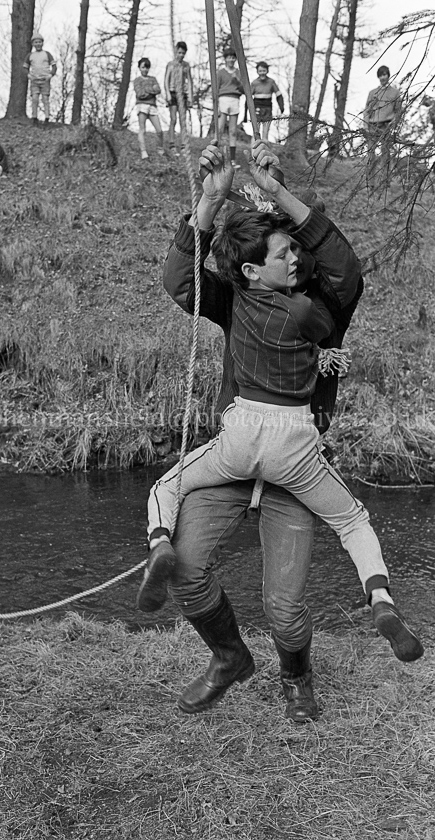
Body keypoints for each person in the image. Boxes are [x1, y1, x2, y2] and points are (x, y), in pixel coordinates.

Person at [136, 141, 424, 721]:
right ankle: (229, 658)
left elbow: (342, 264)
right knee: (188, 571)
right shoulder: (241, 297)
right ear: (255, 266)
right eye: (281, 247)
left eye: (296, 243)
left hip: (286, 462)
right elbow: (181, 280)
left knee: (286, 608)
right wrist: (211, 199)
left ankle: (297, 676)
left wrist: (274, 193)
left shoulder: (327, 302)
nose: (291, 254)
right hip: (254, 452)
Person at [363, 65, 402, 186]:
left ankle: (385, 181)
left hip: (386, 126)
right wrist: (365, 125)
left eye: (384, 74)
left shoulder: (395, 93)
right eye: (380, 75)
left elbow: (399, 111)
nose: (382, 77)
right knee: (371, 155)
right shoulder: (372, 93)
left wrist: (393, 124)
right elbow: (367, 110)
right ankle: (370, 182)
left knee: (385, 154)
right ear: (378, 77)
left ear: (388, 76)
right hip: (372, 126)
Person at [164, 41, 194, 157]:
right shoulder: (171, 64)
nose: (181, 55)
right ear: (176, 52)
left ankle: (183, 145)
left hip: (183, 93)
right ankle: (172, 144)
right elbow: (166, 80)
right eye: (179, 53)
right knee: (173, 119)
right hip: (172, 92)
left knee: (183, 120)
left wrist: (190, 97)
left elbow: (190, 81)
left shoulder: (186, 66)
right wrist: (167, 94)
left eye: (183, 53)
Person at [216, 47, 244, 168]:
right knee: (220, 128)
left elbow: (243, 89)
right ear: (225, 59)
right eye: (229, 57)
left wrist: (237, 80)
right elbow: (216, 89)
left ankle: (232, 160)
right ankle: (215, 154)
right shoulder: (221, 72)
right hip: (223, 99)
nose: (231, 60)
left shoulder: (238, 72)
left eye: (233, 57)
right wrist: (216, 105)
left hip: (235, 99)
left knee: (232, 130)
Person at [133, 58, 165, 160]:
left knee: (159, 130)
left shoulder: (153, 79)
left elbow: (158, 90)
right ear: (139, 68)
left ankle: (160, 150)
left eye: (147, 67)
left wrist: (146, 90)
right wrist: (151, 90)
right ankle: (143, 152)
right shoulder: (137, 80)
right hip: (141, 106)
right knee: (142, 129)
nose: (145, 70)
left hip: (152, 107)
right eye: (143, 67)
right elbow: (140, 94)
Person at [23, 33, 57, 125]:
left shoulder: (47, 54)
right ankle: (34, 117)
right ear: (33, 44)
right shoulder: (30, 55)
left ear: (42, 43)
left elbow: (54, 66)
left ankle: (47, 118)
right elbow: (25, 67)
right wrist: (29, 75)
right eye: (36, 42)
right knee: (34, 98)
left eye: (39, 42)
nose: (38, 44)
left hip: (45, 80)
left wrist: (50, 75)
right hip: (34, 80)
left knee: (45, 99)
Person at [249, 61, 284, 141]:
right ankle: (253, 152)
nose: (262, 73)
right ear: (257, 71)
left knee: (265, 133)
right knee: (256, 132)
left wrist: (281, 107)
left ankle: (264, 152)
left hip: (268, 109)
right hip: (257, 109)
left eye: (264, 71)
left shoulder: (271, 82)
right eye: (260, 71)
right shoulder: (254, 83)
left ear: (267, 71)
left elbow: (278, 95)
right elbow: (248, 98)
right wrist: (245, 114)